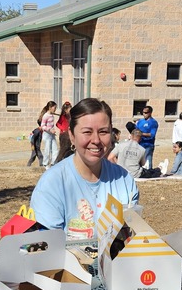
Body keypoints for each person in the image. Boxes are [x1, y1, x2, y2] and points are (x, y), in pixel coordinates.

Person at [30, 98, 140, 239]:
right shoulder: (52, 184)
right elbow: (48, 245)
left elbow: (130, 237)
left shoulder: (124, 181)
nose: (96, 140)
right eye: (87, 132)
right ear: (72, 135)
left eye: (103, 131)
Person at [136, 105, 158, 170]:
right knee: (139, 161)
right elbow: (136, 130)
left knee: (147, 161)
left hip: (148, 145)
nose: (144, 114)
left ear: (150, 113)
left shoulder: (153, 122)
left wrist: (141, 134)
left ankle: (149, 172)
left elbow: (152, 134)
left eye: (146, 113)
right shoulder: (140, 121)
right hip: (140, 144)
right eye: (143, 112)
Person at [39, 101, 59, 167]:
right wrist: (49, 130)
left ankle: (53, 163)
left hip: (51, 135)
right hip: (47, 135)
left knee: (55, 149)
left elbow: (51, 125)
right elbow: (42, 126)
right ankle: (45, 163)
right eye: (54, 108)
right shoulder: (45, 116)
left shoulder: (52, 115)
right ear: (50, 107)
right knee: (47, 150)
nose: (55, 109)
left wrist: (52, 131)